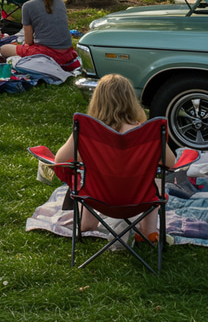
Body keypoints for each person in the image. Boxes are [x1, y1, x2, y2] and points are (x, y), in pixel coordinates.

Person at [53, 74, 175, 241]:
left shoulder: (87, 131)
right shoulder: (147, 132)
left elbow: (60, 161)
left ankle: (87, 225)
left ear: (97, 100)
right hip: (140, 199)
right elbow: (171, 163)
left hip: (97, 198)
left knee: (86, 182)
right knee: (156, 188)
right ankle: (148, 230)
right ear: (131, 100)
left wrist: (87, 155)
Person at [0, 0, 77, 66]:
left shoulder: (28, 6)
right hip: (67, 55)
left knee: (4, 49)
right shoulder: (59, 0)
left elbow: (28, 41)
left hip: (46, 54)